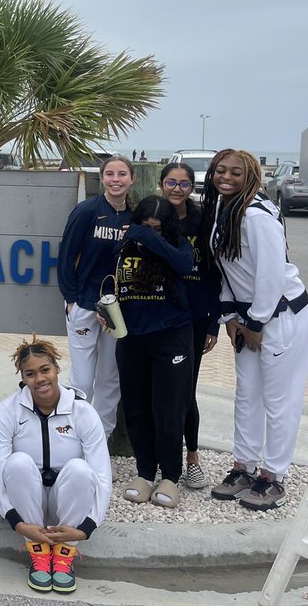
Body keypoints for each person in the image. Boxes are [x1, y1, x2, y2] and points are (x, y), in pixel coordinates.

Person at [202, 149, 308, 511]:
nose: (226, 177)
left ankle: (274, 476)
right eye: (220, 170)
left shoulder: (256, 214)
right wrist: (230, 317)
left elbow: (270, 274)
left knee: (279, 400)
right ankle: (244, 466)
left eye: (236, 172)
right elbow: (228, 272)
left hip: (281, 317)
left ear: (251, 175)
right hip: (247, 318)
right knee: (247, 394)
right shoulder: (225, 209)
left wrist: (254, 323)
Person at [0, 337, 110, 595]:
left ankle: (65, 553)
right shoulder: (9, 410)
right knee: (16, 463)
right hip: (28, 501)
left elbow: (100, 473)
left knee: (80, 469)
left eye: (45, 370)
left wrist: (86, 528)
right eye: (30, 374)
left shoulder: (83, 411)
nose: (40, 379)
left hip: (67, 501)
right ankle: (38, 550)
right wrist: (17, 523)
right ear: (23, 377)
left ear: (56, 368)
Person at [112, 195, 195, 508]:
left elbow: (183, 266)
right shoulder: (122, 246)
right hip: (131, 336)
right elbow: (106, 277)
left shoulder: (179, 246)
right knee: (135, 408)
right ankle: (145, 472)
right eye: (146, 227)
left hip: (172, 335)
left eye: (157, 229)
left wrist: (146, 236)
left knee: (169, 410)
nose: (150, 233)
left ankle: (171, 476)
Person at [56, 154, 134, 438]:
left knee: (110, 378)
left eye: (122, 174)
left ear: (131, 179)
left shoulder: (133, 216)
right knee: (82, 379)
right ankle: (74, 435)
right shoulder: (87, 211)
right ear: (102, 178)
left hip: (117, 310)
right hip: (86, 304)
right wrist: (71, 300)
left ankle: (101, 437)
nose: (116, 180)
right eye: (110, 174)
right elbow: (66, 256)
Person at [159, 162, 222, 490]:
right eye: (171, 182)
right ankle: (159, 457)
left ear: (191, 187)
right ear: (162, 184)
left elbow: (215, 276)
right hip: (158, 314)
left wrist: (214, 323)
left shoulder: (202, 221)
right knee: (157, 390)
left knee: (185, 391)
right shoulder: (153, 216)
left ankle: (192, 458)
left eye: (184, 183)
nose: (177, 188)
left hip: (194, 317)